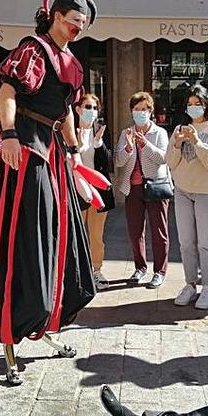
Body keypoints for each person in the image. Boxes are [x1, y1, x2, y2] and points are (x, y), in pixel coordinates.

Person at [0, 0, 97, 385]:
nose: (77, 30)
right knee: (25, 238)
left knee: (60, 237)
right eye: (73, 22)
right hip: (29, 148)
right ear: (55, 15)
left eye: (81, 25)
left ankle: (49, 315)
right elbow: (8, 91)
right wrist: (9, 135)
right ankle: (11, 329)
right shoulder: (32, 49)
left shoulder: (71, 60)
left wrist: (72, 150)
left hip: (53, 152)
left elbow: (67, 109)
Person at [166, 85, 208, 310]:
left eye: (197, 104)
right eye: (189, 104)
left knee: (205, 244)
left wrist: (197, 142)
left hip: (206, 192)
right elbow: (170, 162)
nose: (193, 108)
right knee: (186, 243)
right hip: (182, 191)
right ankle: (190, 284)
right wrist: (178, 144)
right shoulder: (180, 128)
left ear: (206, 105)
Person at [115, 91, 171, 288]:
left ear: (150, 111)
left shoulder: (160, 133)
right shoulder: (125, 133)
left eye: (144, 109)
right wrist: (129, 147)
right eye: (136, 109)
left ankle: (160, 271)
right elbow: (119, 161)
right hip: (133, 187)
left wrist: (145, 144)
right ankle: (140, 268)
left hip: (155, 186)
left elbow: (163, 158)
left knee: (159, 231)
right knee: (135, 231)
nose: (140, 113)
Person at [75, 93, 115, 291]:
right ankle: (77, 272)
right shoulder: (69, 131)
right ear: (78, 109)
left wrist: (98, 144)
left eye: (94, 108)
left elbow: (108, 162)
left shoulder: (101, 131)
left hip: (98, 191)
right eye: (87, 107)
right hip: (77, 191)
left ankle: (96, 270)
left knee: (96, 235)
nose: (91, 111)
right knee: (77, 233)